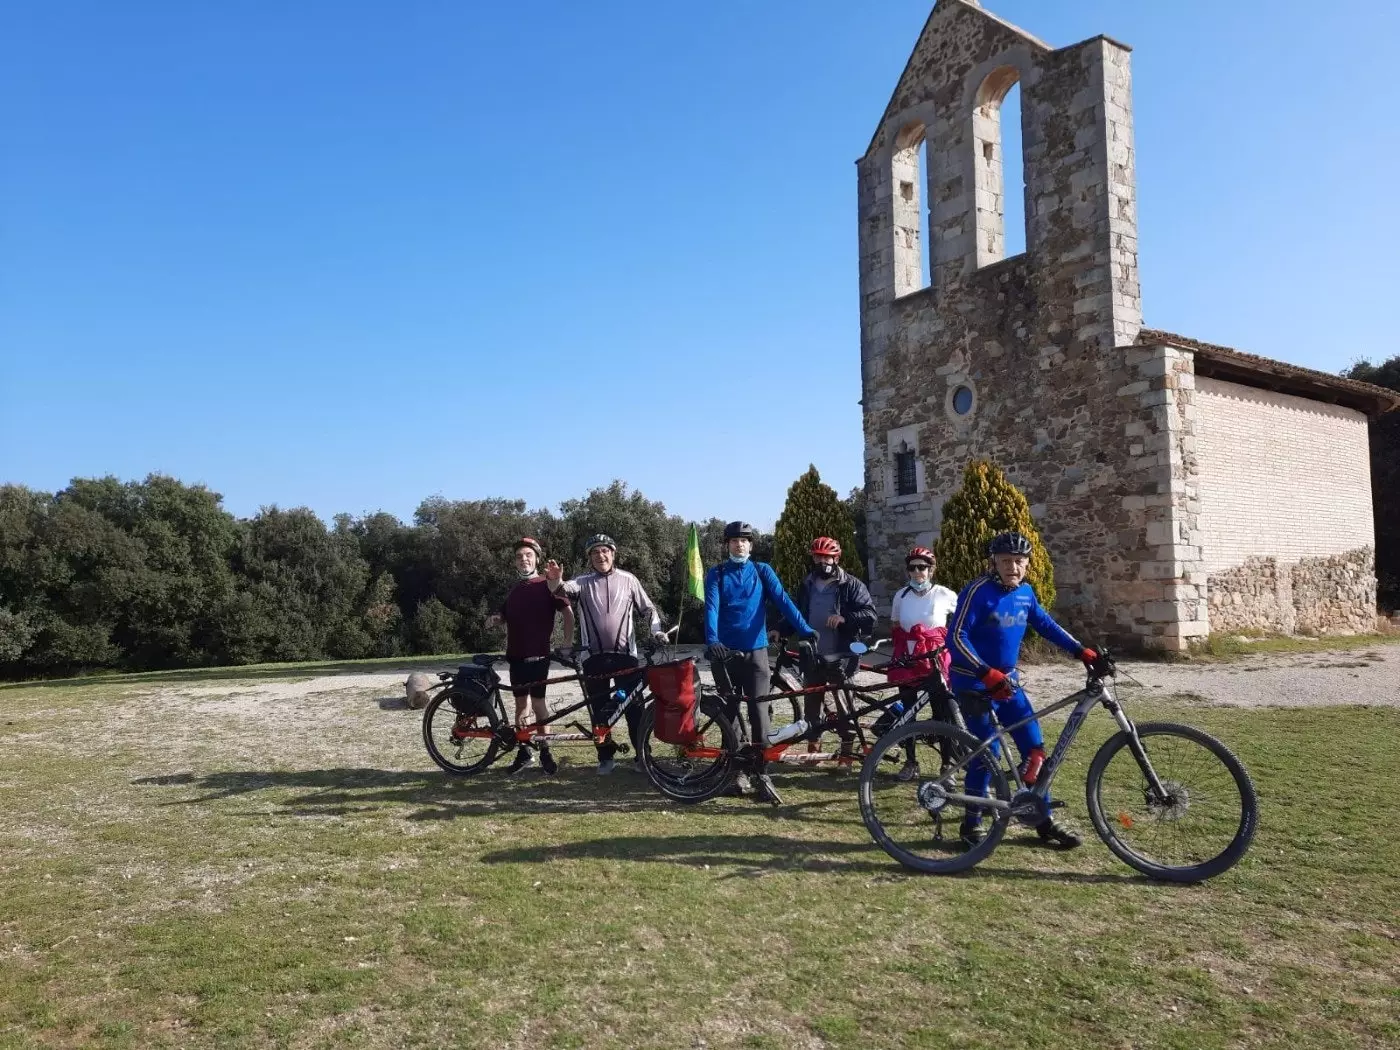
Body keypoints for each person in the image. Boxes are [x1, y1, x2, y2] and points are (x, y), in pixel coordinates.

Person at [948, 531, 1107, 848]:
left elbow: (1046, 625)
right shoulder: (977, 591)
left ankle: (1041, 819)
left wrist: (1081, 651)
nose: (1013, 567)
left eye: (1019, 561)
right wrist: (984, 671)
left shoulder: (1025, 593)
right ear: (994, 562)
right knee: (987, 754)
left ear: (1027, 564)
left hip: (1007, 681)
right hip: (973, 681)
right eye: (1006, 561)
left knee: (1035, 750)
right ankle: (972, 824)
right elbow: (955, 638)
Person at [703, 520, 818, 801]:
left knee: (759, 714)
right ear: (727, 544)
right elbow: (712, 608)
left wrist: (804, 628)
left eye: (744, 540)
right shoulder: (717, 573)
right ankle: (735, 773)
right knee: (729, 713)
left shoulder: (761, 570)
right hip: (725, 654)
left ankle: (760, 771)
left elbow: (783, 600)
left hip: (756, 652)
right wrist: (712, 640)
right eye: (734, 541)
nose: (739, 545)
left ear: (751, 545)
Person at [544, 534, 669, 775]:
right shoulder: (582, 581)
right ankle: (605, 757)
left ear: (613, 553)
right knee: (599, 710)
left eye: (605, 551)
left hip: (626, 657)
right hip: (594, 658)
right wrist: (554, 579)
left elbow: (648, 608)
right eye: (595, 552)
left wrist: (656, 631)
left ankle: (642, 756)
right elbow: (560, 589)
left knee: (634, 708)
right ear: (590, 558)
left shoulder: (629, 579)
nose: (601, 556)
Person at [488, 537, 574, 775]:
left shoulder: (547, 584)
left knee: (538, 705)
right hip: (515, 657)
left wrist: (567, 643)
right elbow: (502, 615)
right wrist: (495, 619)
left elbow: (568, 612)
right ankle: (525, 751)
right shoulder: (514, 590)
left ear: (537, 558)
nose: (523, 559)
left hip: (538, 657)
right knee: (519, 706)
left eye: (528, 555)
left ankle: (545, 751)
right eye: (519, 556)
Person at [877, 546, 958, 780]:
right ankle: (911, 762)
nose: (916, 572)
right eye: (912, 568)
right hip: (908, 660)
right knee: (908, 712)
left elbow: (961, 618)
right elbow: (895, 625)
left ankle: (946, 765)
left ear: (930, 570)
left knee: (942, 712)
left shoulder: (944, 594)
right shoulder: (901, 596)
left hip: (935, 661)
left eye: (921, 567)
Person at [792, 536, 877, 758]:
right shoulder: (807, 584)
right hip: (813, 654)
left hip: (841, 654)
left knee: (844, 705)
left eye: (827, 557)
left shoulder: (852, 585)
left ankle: (847, 752)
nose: (822, 562)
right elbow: (797, 614)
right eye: (818, 557)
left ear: (836, 558)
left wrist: (845, 618)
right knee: (811, 704)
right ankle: (814, 749)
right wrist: (778, 629)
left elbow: (870, 616)